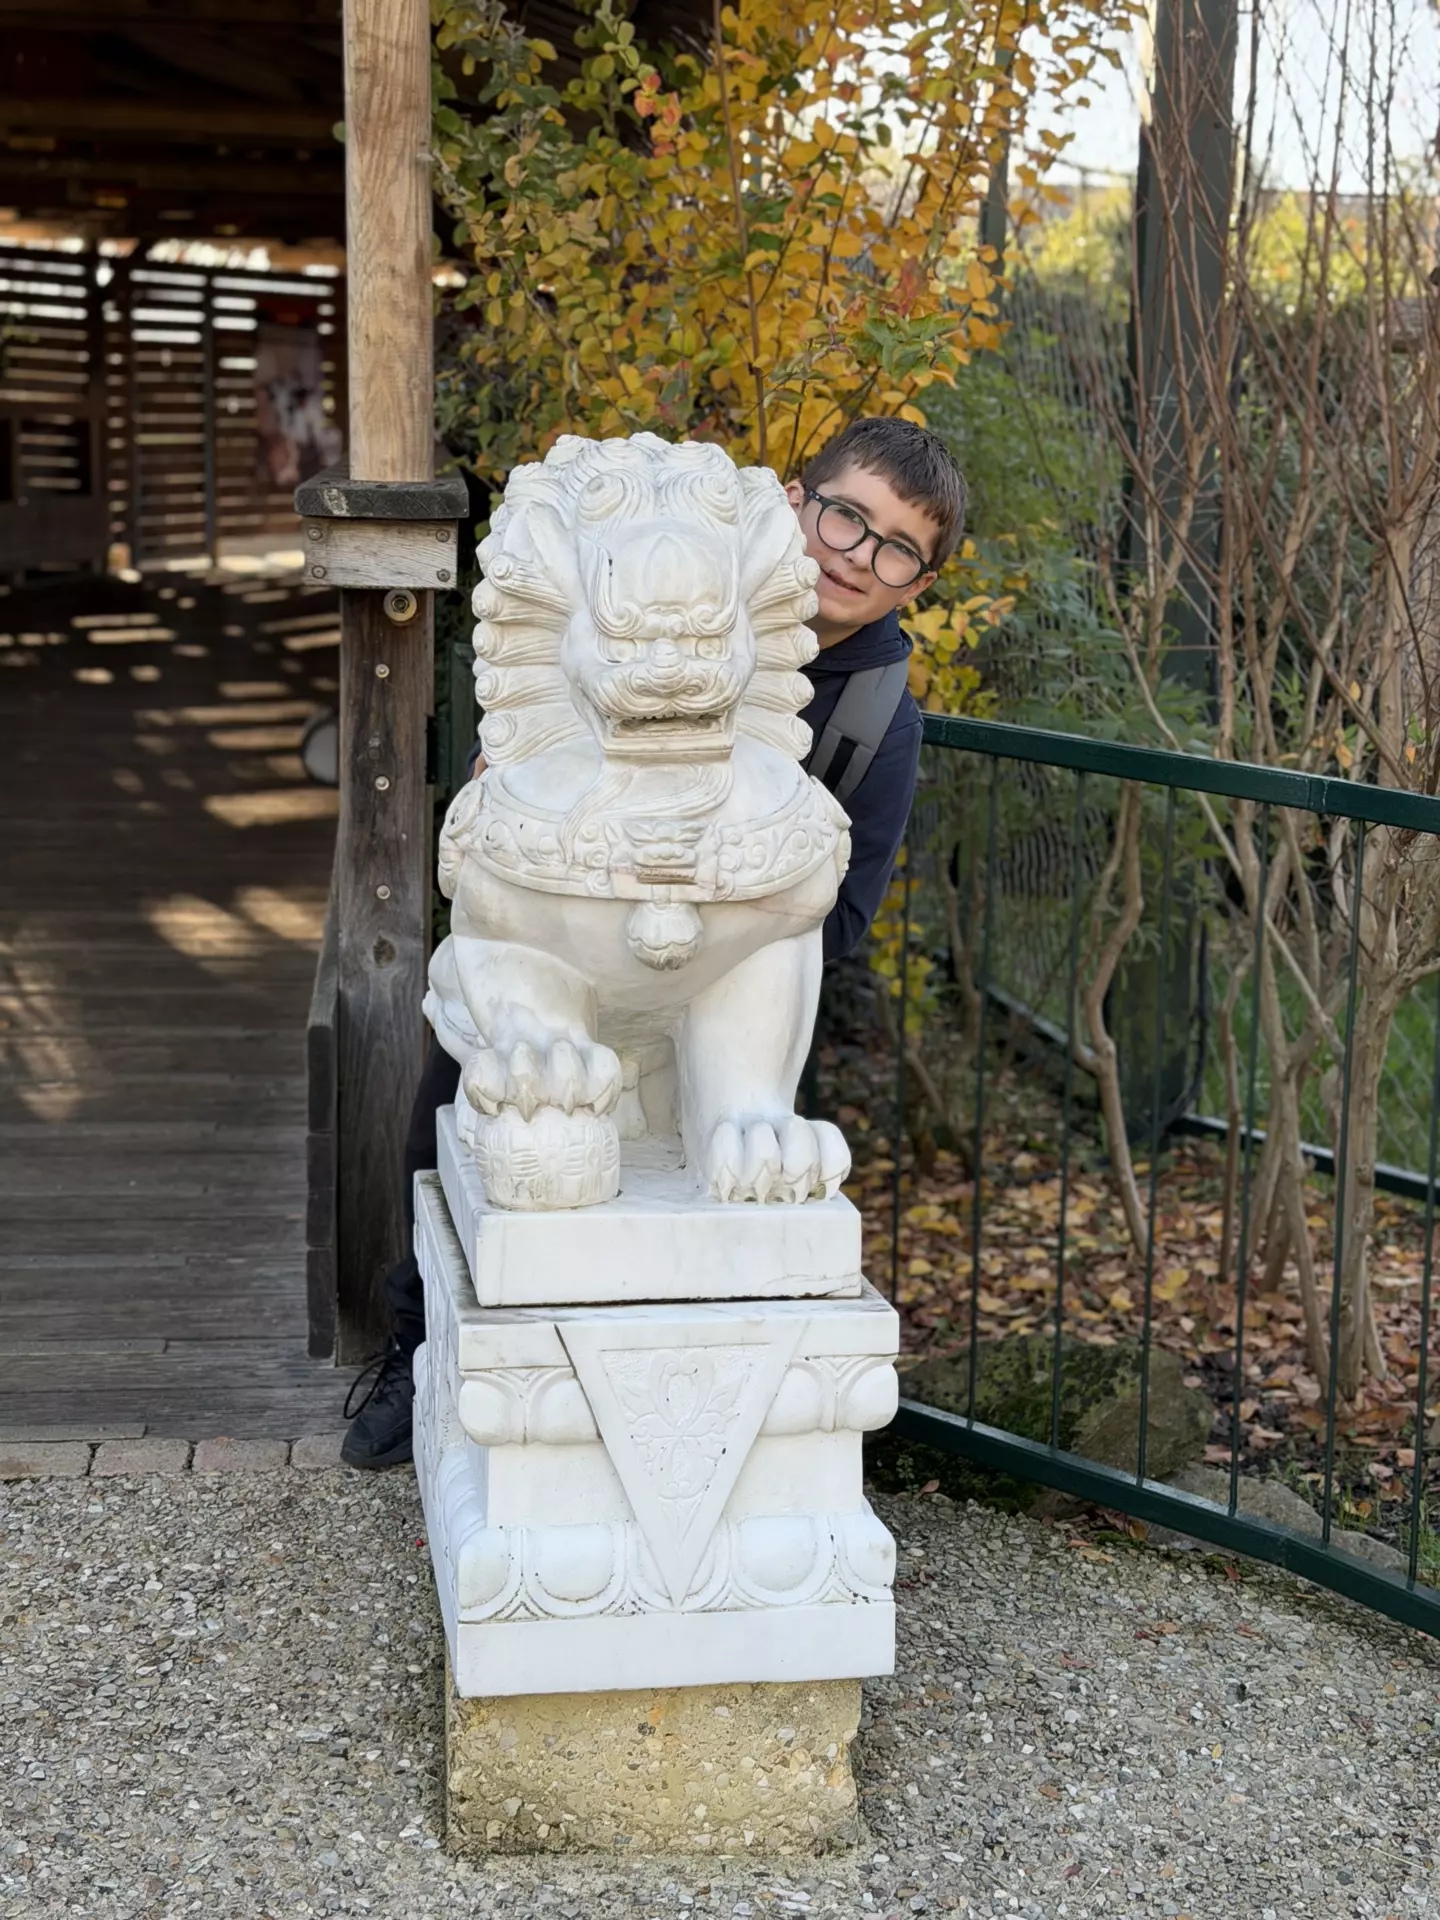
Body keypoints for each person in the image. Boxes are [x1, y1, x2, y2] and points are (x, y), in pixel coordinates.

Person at [342, 415, 969, 1468]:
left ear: (920, 581)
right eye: (847, 517)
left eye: (898, 548)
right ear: (796, 502)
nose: (857, 555)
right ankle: (416, 1349)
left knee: (745, 1110)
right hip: (558, 935)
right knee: (462, 1091)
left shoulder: (875, 713)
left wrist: (739, 868)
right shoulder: (655, 560)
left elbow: (841, 915)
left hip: (723, 971)